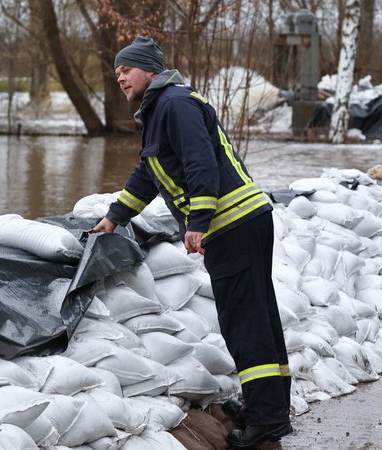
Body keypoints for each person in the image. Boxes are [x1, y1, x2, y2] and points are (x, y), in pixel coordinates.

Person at [93, 36, 292, 449]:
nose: (120, 78)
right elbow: (148, 175)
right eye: (116, 73)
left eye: (125, 70)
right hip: (244, 221)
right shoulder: (160, 109)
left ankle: (266, 421)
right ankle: (265, 409)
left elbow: (200, 161)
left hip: (231, 223)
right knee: (257, 315)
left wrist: (198, 220)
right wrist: (114, 217)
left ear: (149, 69)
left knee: (245, 321)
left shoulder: (173, 104)